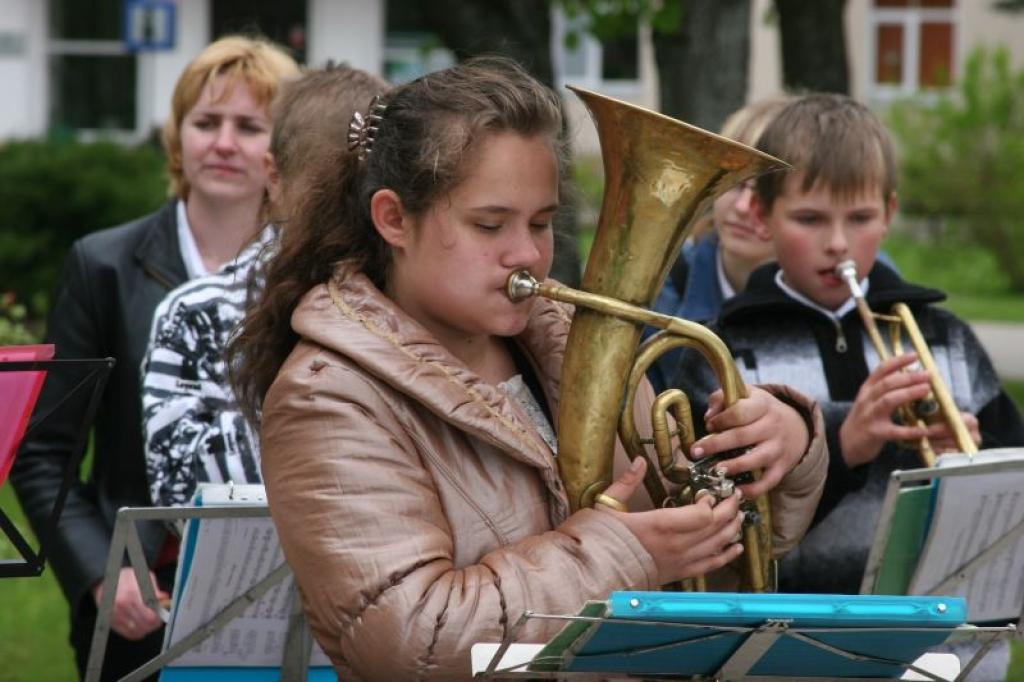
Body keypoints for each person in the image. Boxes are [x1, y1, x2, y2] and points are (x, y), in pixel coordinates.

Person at [229, 57, 827, 680]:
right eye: (490, 225)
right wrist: (624, 556)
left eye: (541, 223)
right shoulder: (326, 398)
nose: (527, 254)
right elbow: (414, 642)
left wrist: (777, 453)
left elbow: (711, 570)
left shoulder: (574, 344)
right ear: (394, 219)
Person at [671, 94, 1024, 677]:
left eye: (859, 218)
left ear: (889, 213)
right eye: (810, 219)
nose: (838, 243)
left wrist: (972, 465)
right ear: (761, 215)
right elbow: (723, 530)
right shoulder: (723, 352)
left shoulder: (947, 340)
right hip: (791, 652)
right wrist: (841, 444)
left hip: (946, 655)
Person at [10, 36, 298, 680]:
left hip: (286, 583)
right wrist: (99, 573)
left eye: (249, 126)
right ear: (177, 135)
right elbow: (43, 453)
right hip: (144, 594)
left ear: (284, 151)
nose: (224, 143)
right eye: (206, 122)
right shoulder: (102, 265)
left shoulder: (310, 274)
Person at [141, 64, 390, 510]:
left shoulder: (421, 304)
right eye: (325, 196)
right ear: (273, 178)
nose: (346, 217)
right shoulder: (196, 313)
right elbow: (176, 488)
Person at [646, 97, 791, 393]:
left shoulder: (858, 284)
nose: (743, 207)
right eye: (735, 181)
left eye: (765, 191)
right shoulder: (660, 292)